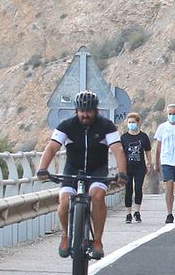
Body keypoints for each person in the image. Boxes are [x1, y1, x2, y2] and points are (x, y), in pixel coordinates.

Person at [36, 90, 127, 261]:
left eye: (89, 111)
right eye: (81, 111)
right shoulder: (66, 126)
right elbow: (52, 147)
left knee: (97, 196)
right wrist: (42, 168)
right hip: (72, 170)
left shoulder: (106, 126)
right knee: (64, 202)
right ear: (76, 111)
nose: (85, 115)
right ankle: (65, 235)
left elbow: (118, 149)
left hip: (97, 171)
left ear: (96, 111)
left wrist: (122, 172)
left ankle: (97, 240)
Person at [120, 111, 154, 223]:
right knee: (128, 190)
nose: (131, 124)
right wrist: (120, 167)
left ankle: (137, 211)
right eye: (129, 122)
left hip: (140, 167)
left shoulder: (143, 137)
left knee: (138, 188)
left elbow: (148, 151)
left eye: (133, 122)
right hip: (127, 167)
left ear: (138, 123)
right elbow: (120, 153)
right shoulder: (124, 137)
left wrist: (149, 164)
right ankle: (128, 213)